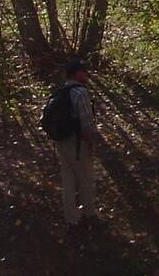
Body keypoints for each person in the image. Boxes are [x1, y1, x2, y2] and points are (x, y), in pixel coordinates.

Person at [54, 58, 100, 229]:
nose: (86, 74)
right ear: (77, 73)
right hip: (77, 143)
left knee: (68, 180)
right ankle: (90, 214)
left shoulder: (61, 91)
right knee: (86, 179)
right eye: (84, 71)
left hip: (61, 142)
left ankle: (71, 218)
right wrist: (92, 143)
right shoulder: (81, 93)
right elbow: (87, 123)